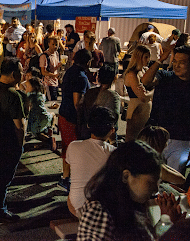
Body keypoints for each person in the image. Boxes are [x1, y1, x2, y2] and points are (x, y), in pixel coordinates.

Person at [77, 140, 183, 241]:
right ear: (126, 176)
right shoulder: (100, 212)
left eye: (158, 182)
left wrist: (166, 221)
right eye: (150, 182)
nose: (155, 188)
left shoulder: (131, 206)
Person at [0, 57, 25, 222]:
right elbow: (19, 125)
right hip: (8, 142)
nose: (23, 74)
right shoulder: (12, 95)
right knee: (4, 177)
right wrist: (21, 144)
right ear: (14, 74)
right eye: (21, 72)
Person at [142, 45, 190, 174]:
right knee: (149, 175)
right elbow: (146, 81)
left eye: (182, 62)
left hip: (182, 140)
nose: (176, 65)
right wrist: (159, 60)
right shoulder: (165, 76)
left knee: (174, 179)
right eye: (175, 61)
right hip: (156, 136)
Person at [66, 107, 116, 218]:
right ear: (112, 130)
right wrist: (112, 141)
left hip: (76, 206)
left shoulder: (74, 146)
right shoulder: (114, 153)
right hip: (101, 210)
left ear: (89, 126)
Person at [57, 49, 92, 191]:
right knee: (73, 149)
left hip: (63, 113)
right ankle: (69, 179)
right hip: (72, 118)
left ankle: (66, 177)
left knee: (67, 148)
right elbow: (77, 102)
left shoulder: (70, 71)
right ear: (88, 62)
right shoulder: (81, 77)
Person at [79, 65, 120, 141]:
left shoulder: (90, 92)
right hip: (104, 134)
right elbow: (114, 117)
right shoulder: (113, 96)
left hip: (87, 130)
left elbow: (81, 108)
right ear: (114, 78)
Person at [124, 45, 153, 142]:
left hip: (144, 110)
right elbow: (143, 97)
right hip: (136, 110)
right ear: (139, 57)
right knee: (133, 140)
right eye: (146, 57)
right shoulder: (132, 74)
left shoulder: (144, 71)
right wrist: (153, 91)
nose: (148, 59)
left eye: (149, 57)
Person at [25, 77, 56, 149]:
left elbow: (28, 107)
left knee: (35, 133)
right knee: (52, 115)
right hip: (44, 116)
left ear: (33, 87)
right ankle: (50, 128)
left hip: (36, 118)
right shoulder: (42, 95)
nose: (26, 88)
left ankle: (49, 139)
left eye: (28, 86)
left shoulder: (30, 97)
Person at [39, 35, 60, 103]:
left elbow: (54, 67)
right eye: (53, 44)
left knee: (54, 102)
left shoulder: (56, 53)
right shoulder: (45, 56)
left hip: (55, 82)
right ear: (49, 44)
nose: (55, 46)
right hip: (48, 84)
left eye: (56, 44)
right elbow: (43, 72)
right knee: (50, 103)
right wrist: (53, 75)